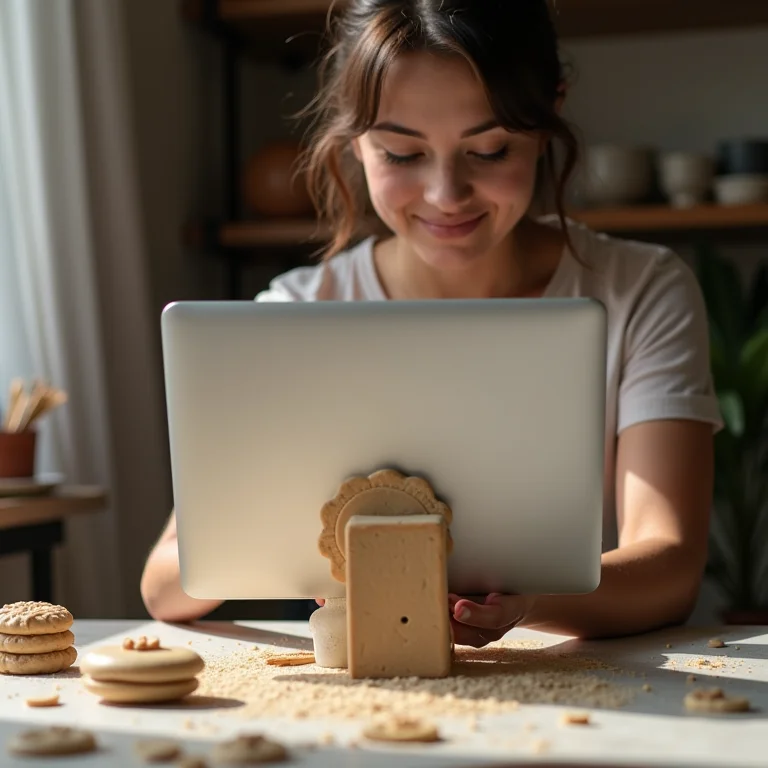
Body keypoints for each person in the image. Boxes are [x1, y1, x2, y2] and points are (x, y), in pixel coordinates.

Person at [141, 0, 722, 645]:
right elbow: (166, 582)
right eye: (401, 153)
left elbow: (669, 563)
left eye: (491, 149)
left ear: (550, 110)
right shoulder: (294, 319)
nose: (447, 195)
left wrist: (533, 600)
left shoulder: (639, 290)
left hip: (580, 689)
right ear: (356, 141)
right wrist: (281, 539)